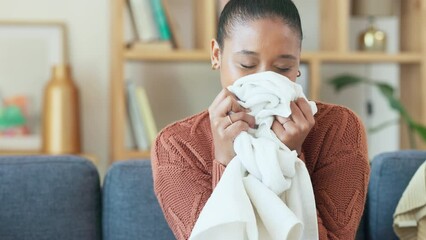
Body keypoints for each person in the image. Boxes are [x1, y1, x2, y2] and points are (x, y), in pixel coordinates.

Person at [151, 0, 370, 239]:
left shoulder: (338, 129)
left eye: (283, 68)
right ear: (216, 55)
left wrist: (289, 157)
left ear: (297, 64)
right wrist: (225, 160)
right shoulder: (177, 145)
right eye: (247, 65)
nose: (264, 80)